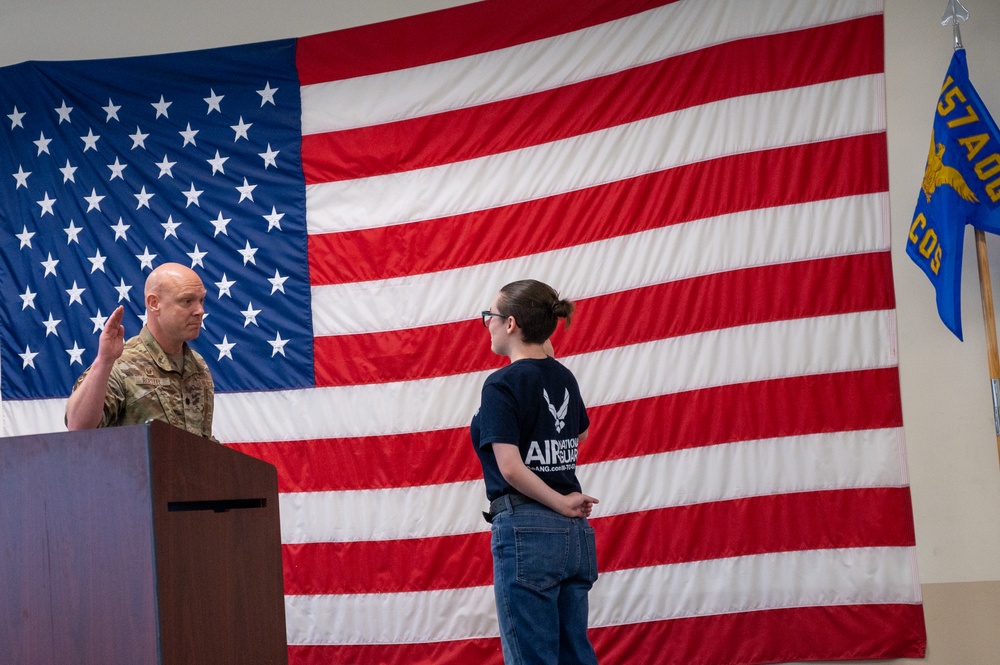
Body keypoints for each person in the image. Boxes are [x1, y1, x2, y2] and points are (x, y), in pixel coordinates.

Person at [471, 279, 600, 665]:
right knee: (573, 653)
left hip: (529, 529)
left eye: (489, 316)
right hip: (574, 538)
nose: (487, 324)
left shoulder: (502, 384)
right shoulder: (562, 377)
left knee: (532, 657)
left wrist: (560, 503)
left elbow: (510, 468)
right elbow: (580, 429)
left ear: (510, 323)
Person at [65, 262, 216, 440]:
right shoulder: (121, 364)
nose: (200, 311)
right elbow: (78, 428)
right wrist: (104, 362)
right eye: (187, 301)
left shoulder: (198, 366)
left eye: (201, 300)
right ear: (154, 304)